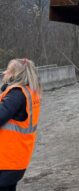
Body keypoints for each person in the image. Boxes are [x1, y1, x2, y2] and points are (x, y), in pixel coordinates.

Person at [0, 58, 41, 191]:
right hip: (16, 158)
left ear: (15, 74)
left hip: (7, 160)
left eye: (8, 70)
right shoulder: (29, 92)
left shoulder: (17, 95)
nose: (4, 72)